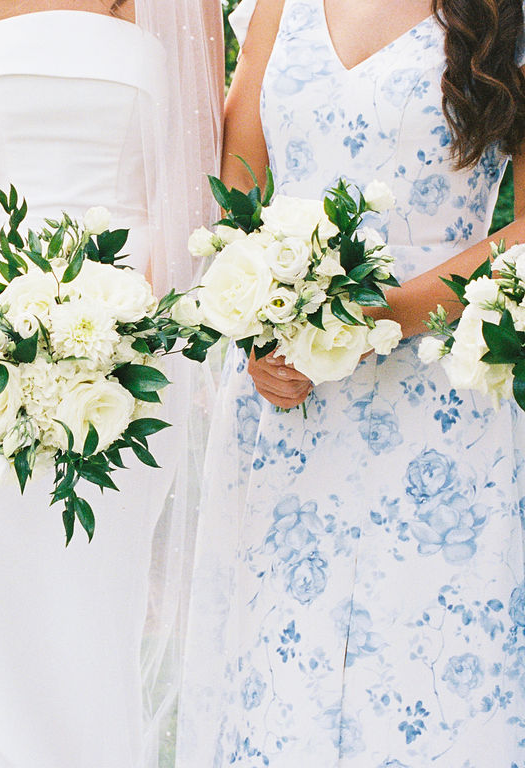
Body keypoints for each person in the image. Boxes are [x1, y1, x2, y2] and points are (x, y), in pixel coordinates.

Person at [0, 0, 222, 765]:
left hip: (133, 336)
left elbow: (198, 183)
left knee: (88, 591)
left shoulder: (184, 8)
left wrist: (122, 331)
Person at [181, 0, 525, 764]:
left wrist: (391, 313)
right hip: (287, 396)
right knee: (283, 658)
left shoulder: (507, 13)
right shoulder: (279, 6)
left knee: (422, 660)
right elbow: (237, 195)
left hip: (443, 385)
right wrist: (257, 331)